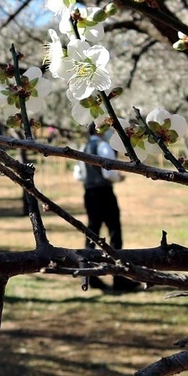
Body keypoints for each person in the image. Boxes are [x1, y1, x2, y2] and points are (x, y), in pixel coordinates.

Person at [74, 124, 138, 291]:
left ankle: (89, 276)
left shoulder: (84, 147)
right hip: (104, 193)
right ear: (98, 130)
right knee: (114, 233)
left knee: (92, 232)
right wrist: (119, 178)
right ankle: (119, 278)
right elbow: (108, 172)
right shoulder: (103, 146)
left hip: (89, 193)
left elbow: (78, 174)